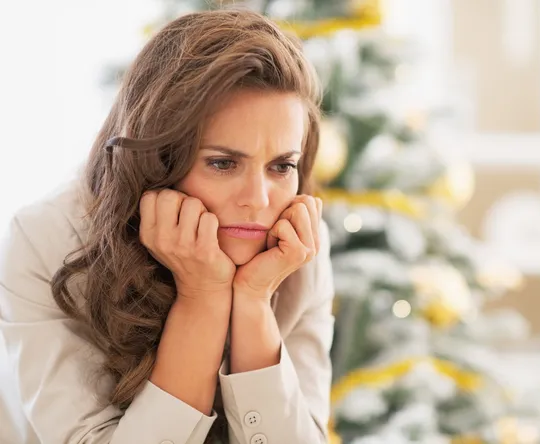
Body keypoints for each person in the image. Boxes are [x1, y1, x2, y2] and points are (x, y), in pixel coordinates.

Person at [0, 9, 335, 444]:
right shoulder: (45, 239)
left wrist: (252, 302)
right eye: (222, 163)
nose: (260, 199)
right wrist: (201, 300)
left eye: (281, 166)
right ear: (157, 160)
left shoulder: (297, 246)